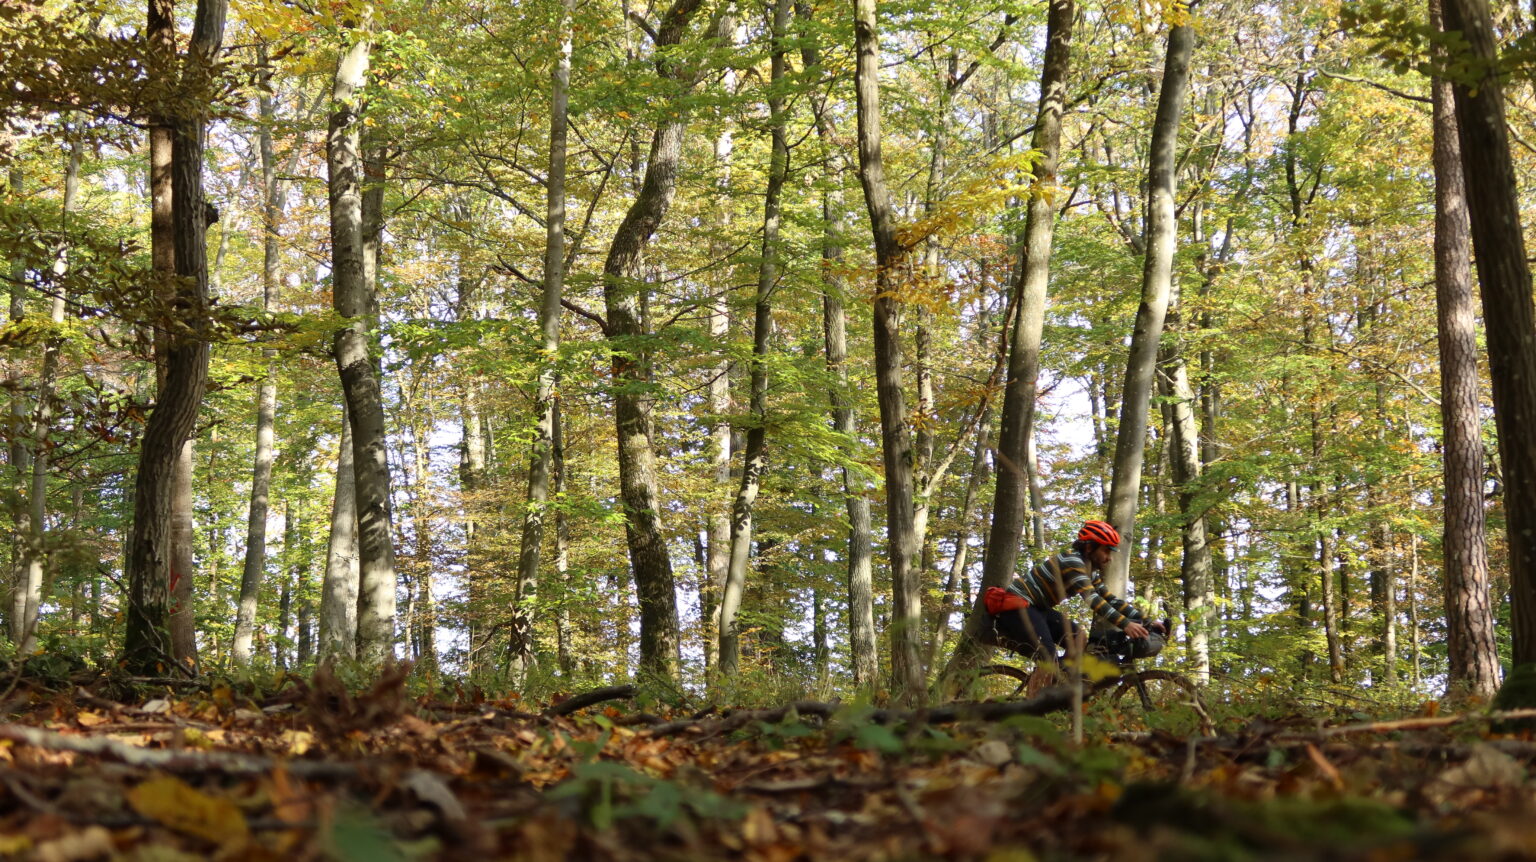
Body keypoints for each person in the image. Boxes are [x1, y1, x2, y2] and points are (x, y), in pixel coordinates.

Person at [983, 520, 1154, 664]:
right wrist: (1125, 624)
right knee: (1047, 658)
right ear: (1089, 548)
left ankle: (1060, 685)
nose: (1109, 558)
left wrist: (1145, 621)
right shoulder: (1072, 561)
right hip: (1019, 605)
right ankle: (1037, 702)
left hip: (1037, 608)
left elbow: (1109, 599)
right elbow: (1092, 598)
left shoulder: (1090, 570)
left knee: (1078, 639)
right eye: (1106, 550)